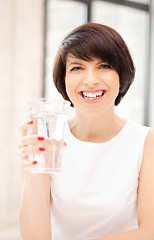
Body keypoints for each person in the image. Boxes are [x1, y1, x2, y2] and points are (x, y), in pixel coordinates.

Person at [18, 23, 154, 240]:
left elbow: (149, 232)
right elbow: (35, 237)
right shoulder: (49, 139)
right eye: (77, 68)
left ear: (121, 75)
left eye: (104, 66)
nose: (90, 80)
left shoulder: (146, 142)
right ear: (63, 79)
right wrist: (33, 169)